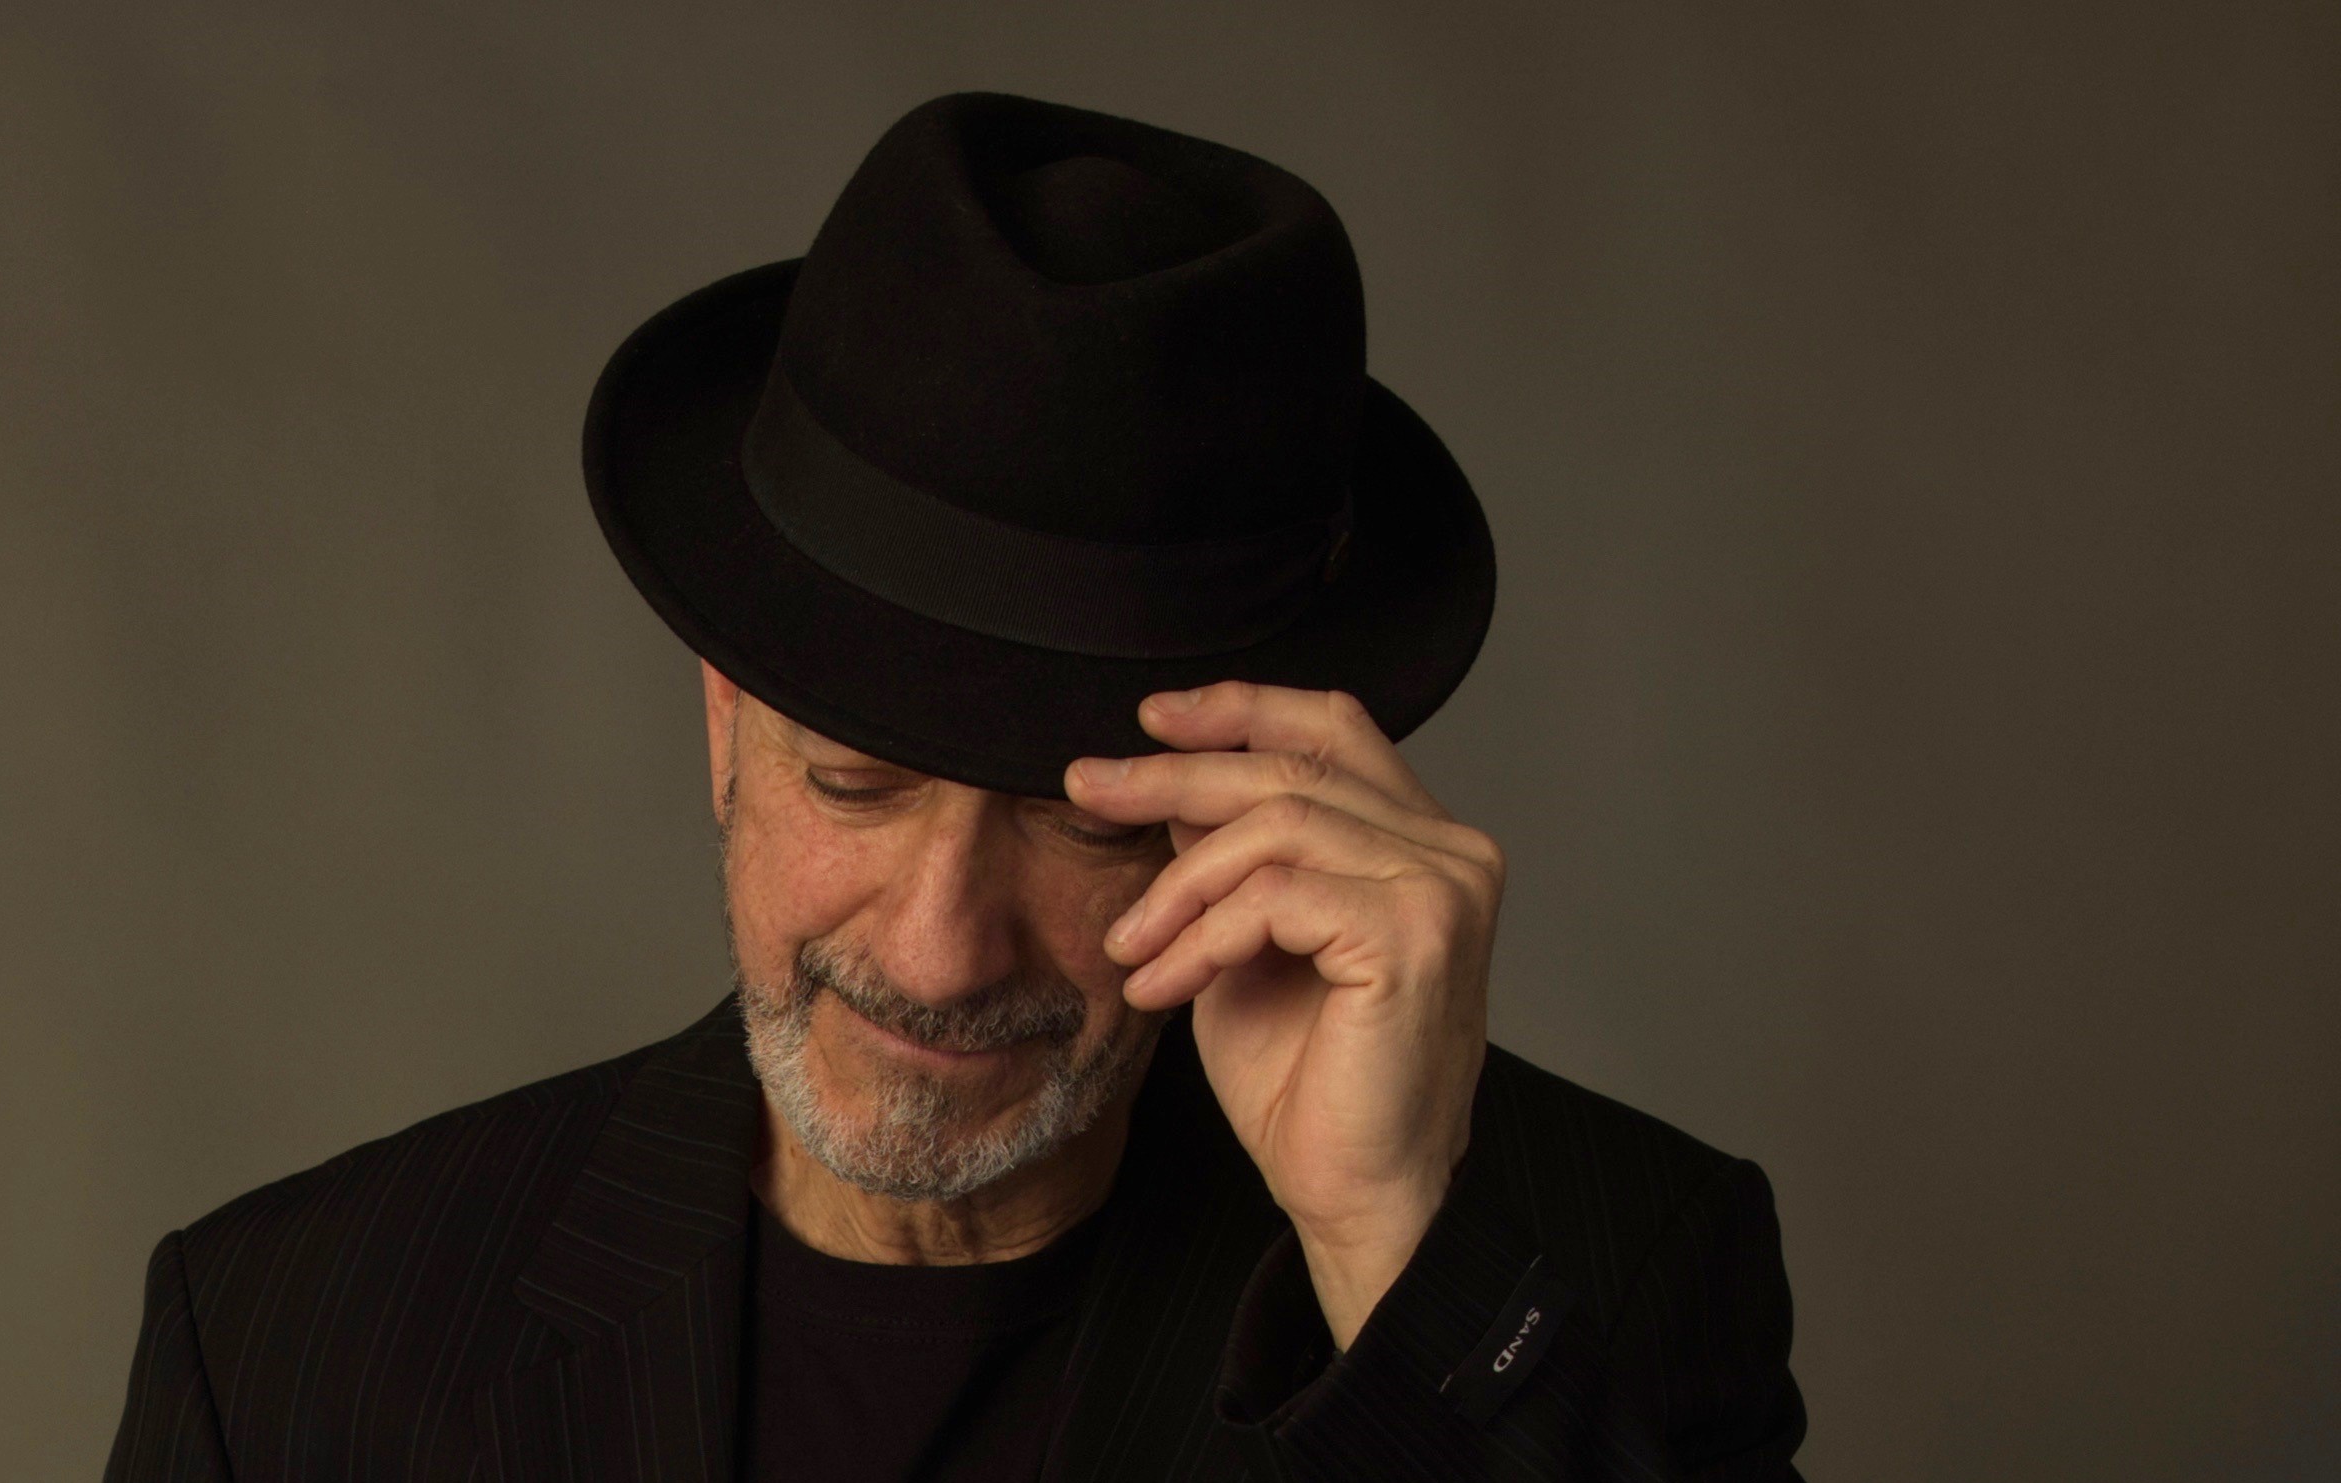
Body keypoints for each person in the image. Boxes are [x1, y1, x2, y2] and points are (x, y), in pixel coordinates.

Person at [104, 91, 1805, 1482]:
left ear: (1262, 803)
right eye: (855, 784)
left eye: (1082, 823)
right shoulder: (284, 1346)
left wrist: (1391, 1252)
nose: (940, 950)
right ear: (725, 722)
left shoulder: (1608, 1280)